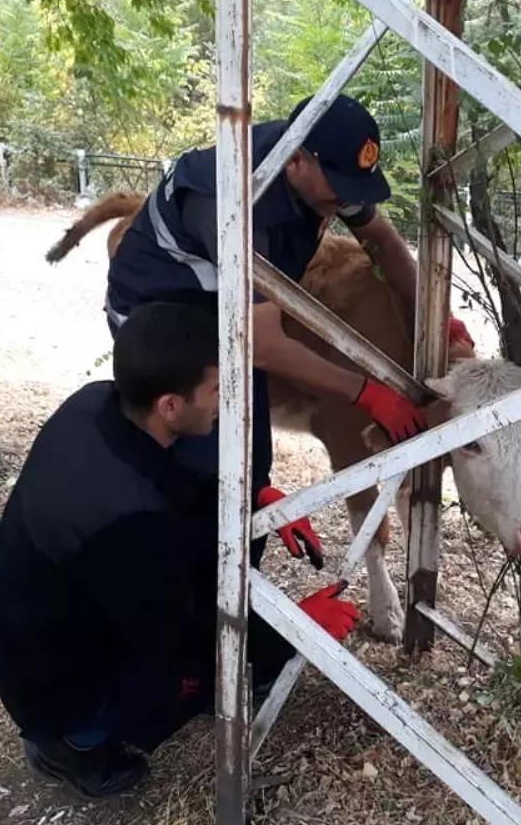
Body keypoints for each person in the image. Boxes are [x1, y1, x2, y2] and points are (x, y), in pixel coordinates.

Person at [0, 301, 361, 799]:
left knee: (207, 565)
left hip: (59, 604)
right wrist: (296, 631)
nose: (224, 403)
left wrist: (257, 503)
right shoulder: (125, 521)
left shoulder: (98, 403)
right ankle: (70, 743)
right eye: (215, 391)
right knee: (185, 671)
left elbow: (173, 483)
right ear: (170, 405)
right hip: (49, 675)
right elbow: (187, 635)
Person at [102, 92, 473, 530]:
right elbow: (262, 343)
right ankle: (181, 569)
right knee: (205, 464)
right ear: (296, 161)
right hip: (160, 326)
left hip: (228, 314)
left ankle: (241, 561)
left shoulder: (323, 171)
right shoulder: (236, 200)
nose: (346, 203)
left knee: (252, 467)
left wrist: (434, 317)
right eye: (340, 191)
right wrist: (367, 393)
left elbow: (385, 243)